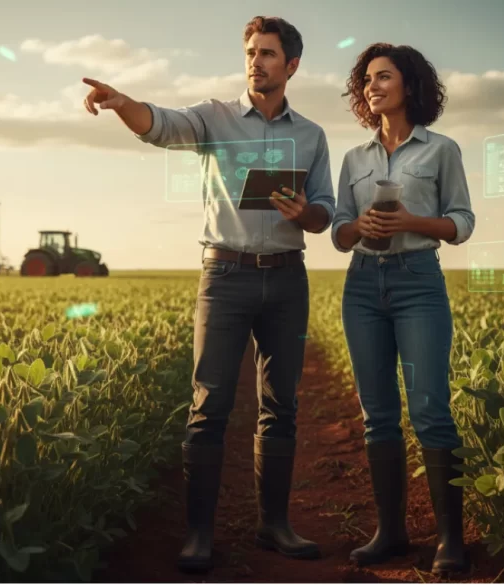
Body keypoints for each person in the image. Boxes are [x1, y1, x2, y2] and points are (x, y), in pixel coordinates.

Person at [82, 16, 335, 574]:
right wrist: (123, 102)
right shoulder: (213, 117)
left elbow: (326, 212)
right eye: (251, 52)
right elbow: (161, 126)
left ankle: (276, 526)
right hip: (224, 277)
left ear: (291, 66)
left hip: (288, 279)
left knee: (281, 407)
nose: (256, 61)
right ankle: (198, 534)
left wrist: (306, 212)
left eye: (268, 54)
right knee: (209, 406)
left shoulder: (312, 135)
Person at [329, 42, 475, 576]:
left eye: (383, 76)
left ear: (409, 86)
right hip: (363, 286)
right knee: (378, 417)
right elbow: (339, 233)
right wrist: (358, 227)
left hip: (419, 283)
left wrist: (412, 221)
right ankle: (390, 533)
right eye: (366, 79)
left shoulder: (441, 151)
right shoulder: (354, 159)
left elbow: (461, 223)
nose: (372, 86)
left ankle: (450, 542)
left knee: (432, 411)